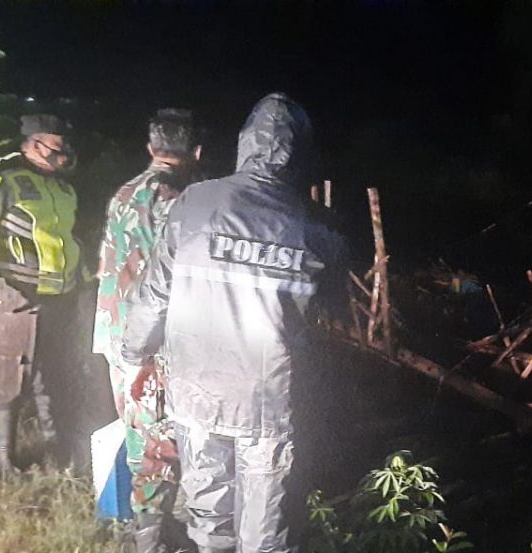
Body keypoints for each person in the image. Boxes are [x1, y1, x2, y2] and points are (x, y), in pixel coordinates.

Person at [122, 92, 346, 553]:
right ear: (301, 154)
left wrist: (134, 356)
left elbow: (153, 293)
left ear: (245, 145)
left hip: (195, 396)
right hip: (267, 402)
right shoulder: (319, 227)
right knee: (266, 532)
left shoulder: (194, 202)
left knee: (208, 517)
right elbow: (331, 321)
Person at [93, 108, 202, 552]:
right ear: (196, 151)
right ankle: (150, 541)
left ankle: (150, 527)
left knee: (138, 429)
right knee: (160, 440)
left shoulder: (123, 193)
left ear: (151, 147)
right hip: (152, 341)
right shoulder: (180, 198)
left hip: (114, 333)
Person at [0, 114, 81, 479]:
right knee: (9, 378)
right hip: (15, 296)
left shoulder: (64, 189)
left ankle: (59, 455)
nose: (64, 153)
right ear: (32, 144)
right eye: (57, 146)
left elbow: (68, 242)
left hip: (61, 299)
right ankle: (4, 467)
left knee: (53, 378)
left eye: (66, 145)